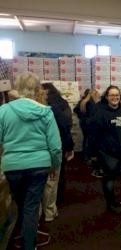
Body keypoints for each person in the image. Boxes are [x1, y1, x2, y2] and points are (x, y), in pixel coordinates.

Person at [0, 72, 62, 250]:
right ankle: (29, 244)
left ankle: (23, 237)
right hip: (39, 165)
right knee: (32, 206)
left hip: (12, 165)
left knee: (21, 205)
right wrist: (54, 165)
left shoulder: (3, 111)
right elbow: (55, 146)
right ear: (37, 90)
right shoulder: (45, 112)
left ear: (17, 88)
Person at [91, 85, 121, 213]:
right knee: (109, 180)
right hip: (107, 153)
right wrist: (94, 153)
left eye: (117, 95)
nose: (115, 97)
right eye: (112, 95)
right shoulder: (100, 112)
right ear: (106, 97)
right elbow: (94, 134)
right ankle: (111, 204)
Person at [41, 82, 74, 219]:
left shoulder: (46, 106)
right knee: (58, 173)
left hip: (49, 143)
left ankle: (48, 206)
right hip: (61, 142)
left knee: (48, 177)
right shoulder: (63, 103)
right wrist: (69, 145)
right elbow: (67, 124)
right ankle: (58, 199)